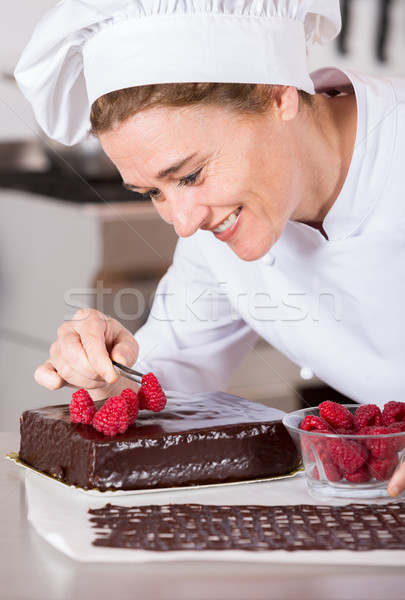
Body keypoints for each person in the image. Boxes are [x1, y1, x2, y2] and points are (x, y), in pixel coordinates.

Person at [14, 0, 405, 498]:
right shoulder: (219, 228)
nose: (183, 221)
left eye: (191, 174)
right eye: (154, 191)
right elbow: (175, 370)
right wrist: (111, 370)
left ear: (277, 94)